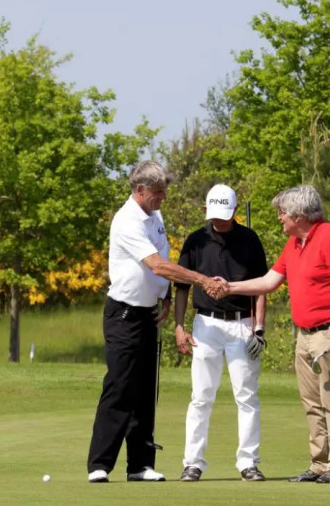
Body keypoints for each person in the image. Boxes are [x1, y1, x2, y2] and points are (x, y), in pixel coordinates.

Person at [87, 161, 228, 483]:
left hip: (148, 313)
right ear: (140, 190)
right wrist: (203, 280)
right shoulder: (127, 220)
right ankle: (99, 464)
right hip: (124, 313)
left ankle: (140, 465)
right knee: (120, 386)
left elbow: (162, 260)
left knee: (145, 389)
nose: (164, 197)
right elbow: (157, 265)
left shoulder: (155, 216)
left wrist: (165, 297)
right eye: (159, 192)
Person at [222, 184, 330, 483]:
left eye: (282, 212)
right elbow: (269, 282)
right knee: (311, 400)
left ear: (299, 215)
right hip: (305, 334)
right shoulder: (294, 243)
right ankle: (319, 464)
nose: (279, 217)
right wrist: (228, 287)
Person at [172, 184, 270, 481]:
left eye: (225, 215)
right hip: (206, 324)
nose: (220, 220)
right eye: (215, 215)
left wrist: (259, 328)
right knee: (201, 396)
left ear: (235, 210)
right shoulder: (195, 241)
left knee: (246, 395)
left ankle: (248, 461)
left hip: (242, 323)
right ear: (206, 210)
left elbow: (262, 287)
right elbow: (182, 287)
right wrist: (179, 326)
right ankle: (193, 462)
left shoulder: (250, 239)